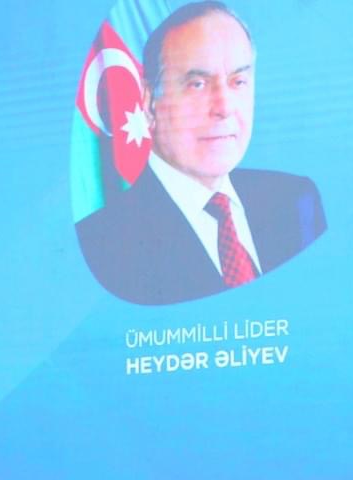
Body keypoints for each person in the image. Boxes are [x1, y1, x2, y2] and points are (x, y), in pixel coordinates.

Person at [75, 1, 326, 306]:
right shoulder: (105, 242)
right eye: (197, 84)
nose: (224, 107)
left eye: (238, 81)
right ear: (149, 101)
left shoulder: (296, 201)